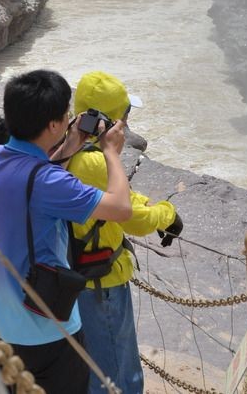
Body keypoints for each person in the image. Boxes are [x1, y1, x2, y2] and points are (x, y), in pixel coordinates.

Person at [0, 69, 132, 394]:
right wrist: (111, 153)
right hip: (48, 331)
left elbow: (31, 173)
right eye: (65, 115)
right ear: (54, 125)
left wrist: (72, 142)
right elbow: (121, 207)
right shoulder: (50, 183)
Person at [68, 71, 183, 394]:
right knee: (118, 375)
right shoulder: (97, 162)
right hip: (100, 283)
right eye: (125, 114)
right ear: (110, 121)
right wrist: (168, 213)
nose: (128, 121)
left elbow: (124, 198)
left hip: (71, 277)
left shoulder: (67, 147)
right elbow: (132, 217)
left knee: (87, 367)